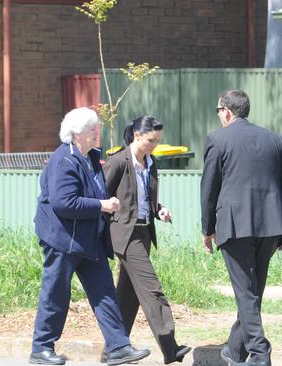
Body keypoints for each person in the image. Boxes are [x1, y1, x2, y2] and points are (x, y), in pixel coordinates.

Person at [30, 107, 150, 366]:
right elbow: (64, 203)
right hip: (62, 240)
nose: (97, 132)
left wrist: (107, 203)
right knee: (56, 294)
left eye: (97, 128)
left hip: (89, 240)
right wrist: (101, 205)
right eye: (92, 129)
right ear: (76, 134)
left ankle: (118, 346)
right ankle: (41, 348)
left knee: (105, 293)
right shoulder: (64, 160)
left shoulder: (91, 157)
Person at [200, 90, 282, 366]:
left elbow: (209, 188)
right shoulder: (272, 138)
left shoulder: (217, 139)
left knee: (246, 293)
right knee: (252, 292)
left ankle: (259, 353)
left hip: (234, 226)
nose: (218, 116)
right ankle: (236, 350)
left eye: (218, 111)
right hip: (270, 226)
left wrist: (207, 229)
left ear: (227, 111)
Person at [103, 116, 191, 364]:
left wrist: (158, 209)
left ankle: (113, 350)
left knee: (128, 296)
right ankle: (170, 347)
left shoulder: (151, 164)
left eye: (158, 141)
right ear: (136, 135)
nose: (154, 145)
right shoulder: (118, 161)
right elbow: (101, 196)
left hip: (144, 232)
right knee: (153, 289)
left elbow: (142, 200)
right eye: (151, 140)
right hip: (125, 235)